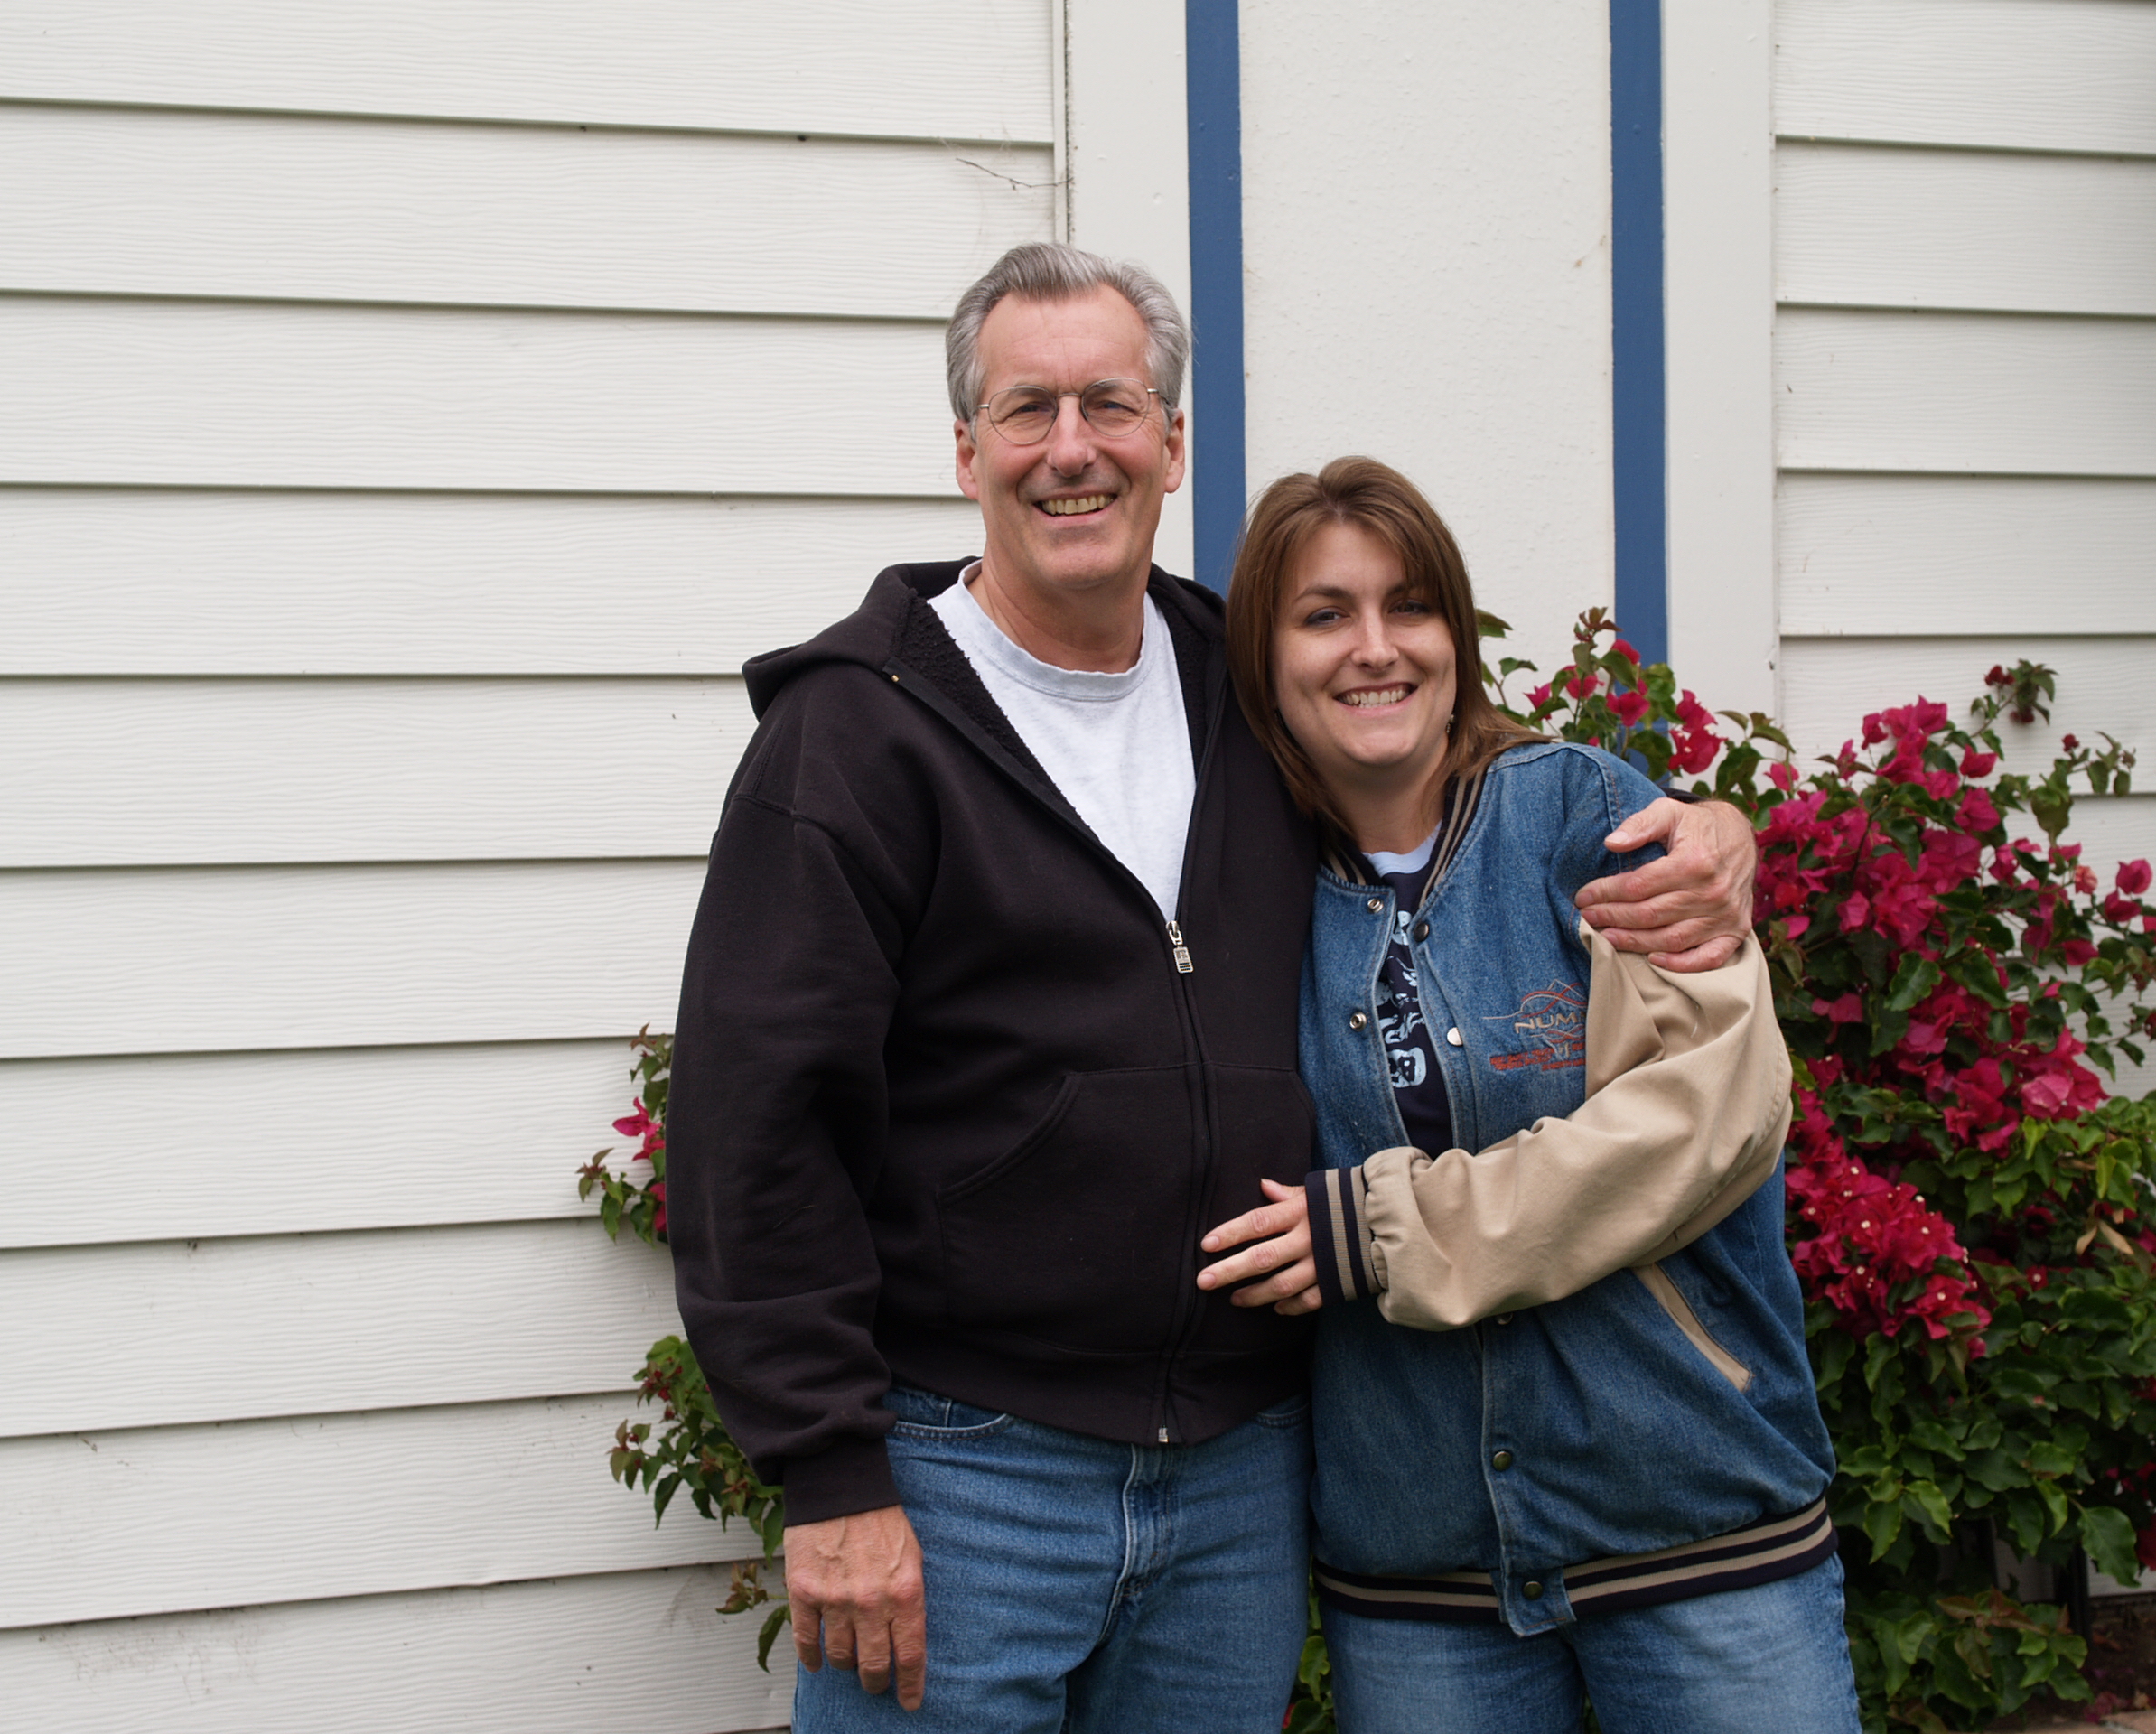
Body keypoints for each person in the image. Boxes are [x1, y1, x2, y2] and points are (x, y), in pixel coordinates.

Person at [666, 246, 1759, 1731]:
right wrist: (828, 1469)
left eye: (1111, 406)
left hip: (1238, 1481)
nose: (1072, 449)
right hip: (968, 1469)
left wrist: (1710, 831)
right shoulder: (859, 739)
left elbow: (1442, 775)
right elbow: (756, 1115)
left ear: (1171, 443)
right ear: (968, 452)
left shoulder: (1241, 690)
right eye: (1029, 409)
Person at [1200, 457, 1858, 1733]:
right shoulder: (1245, 892)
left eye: (1409, 605)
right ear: (1265, 659)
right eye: (1325, 614)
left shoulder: (1589, 822)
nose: (1375, 648)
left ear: (1456, 634)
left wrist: (1379, 1233)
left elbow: (1713, 1119)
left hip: (1693, 1522)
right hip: (1419, 1575)